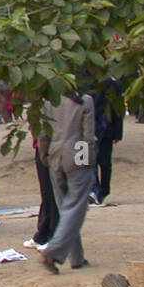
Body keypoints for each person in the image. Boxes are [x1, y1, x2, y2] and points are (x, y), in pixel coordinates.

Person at [38, 93, 96, 273]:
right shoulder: (85, 100)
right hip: (77, 155)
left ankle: (76, 257)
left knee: (67, 209)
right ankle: (54, 251)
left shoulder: (48, 100)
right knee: (75, 208)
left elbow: (42, 133)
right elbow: (88, 136)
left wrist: (45, 156)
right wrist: (88, 160)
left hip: (55, 156)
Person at [90, 77, 125, 204]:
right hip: (85, 131)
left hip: (106, 129)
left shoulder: (112, 84)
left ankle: (102, 191)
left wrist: (117, 133)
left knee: (105, 162)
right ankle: (93, 190)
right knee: (86, 162)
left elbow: (118, 109)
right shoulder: (83, 82)